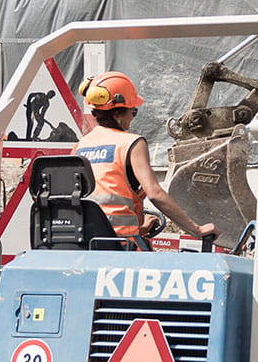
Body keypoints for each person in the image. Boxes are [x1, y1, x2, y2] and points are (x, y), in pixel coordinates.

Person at [74, 72, 219, 246]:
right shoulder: (131, 143)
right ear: (118, 114)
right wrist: (197, 229)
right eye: (133, 111)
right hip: (120, 247)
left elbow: (99, 209)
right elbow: (155, 193)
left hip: (88, 243)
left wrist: (141, 228)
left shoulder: (80, 147)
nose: (132, 118)